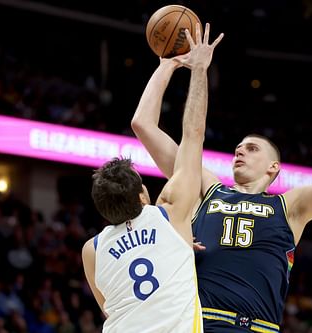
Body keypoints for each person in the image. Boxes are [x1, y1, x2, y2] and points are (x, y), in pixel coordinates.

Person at [131, 43, 312, 332]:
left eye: (250, 149)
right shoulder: (206, 188)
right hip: (199, 323)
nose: (239, 152)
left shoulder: (290, 206)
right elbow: (143, 124)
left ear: (273, 167)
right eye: (238, 148)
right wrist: (166, 65)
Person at [82, 23, 224, 333]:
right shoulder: (171, 213)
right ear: (143, 196)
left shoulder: (91, 249)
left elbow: (111, 309)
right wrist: (195, 68)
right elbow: (193, 133)